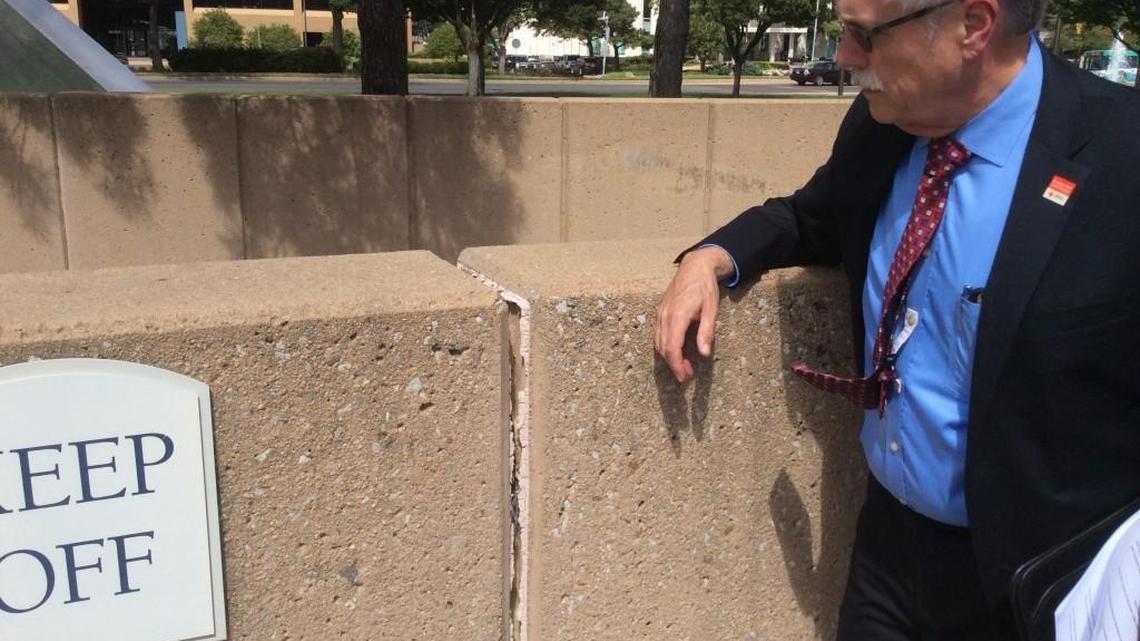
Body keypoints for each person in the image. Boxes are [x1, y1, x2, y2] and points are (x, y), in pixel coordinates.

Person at [654, 0, 1140, 638]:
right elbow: (811, 216)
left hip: (1044, 582)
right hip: (888, 554)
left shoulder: (1122, 151)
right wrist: (712, 257)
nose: (843, 57)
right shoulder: (884, 123)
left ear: (974, 25)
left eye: (865, 35)